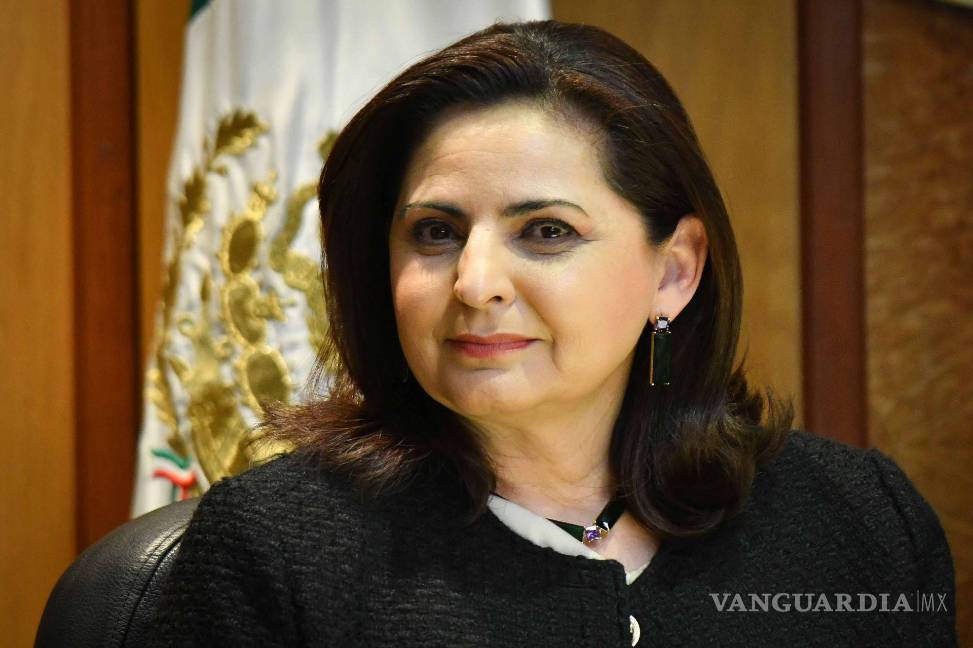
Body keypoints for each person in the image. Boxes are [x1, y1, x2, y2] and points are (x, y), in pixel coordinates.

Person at [146, 20, 957, 647]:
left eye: (545, 232)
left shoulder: (858, 519)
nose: (474, 282)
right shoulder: (276, 547)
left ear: (673, 271)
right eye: (435, 232)